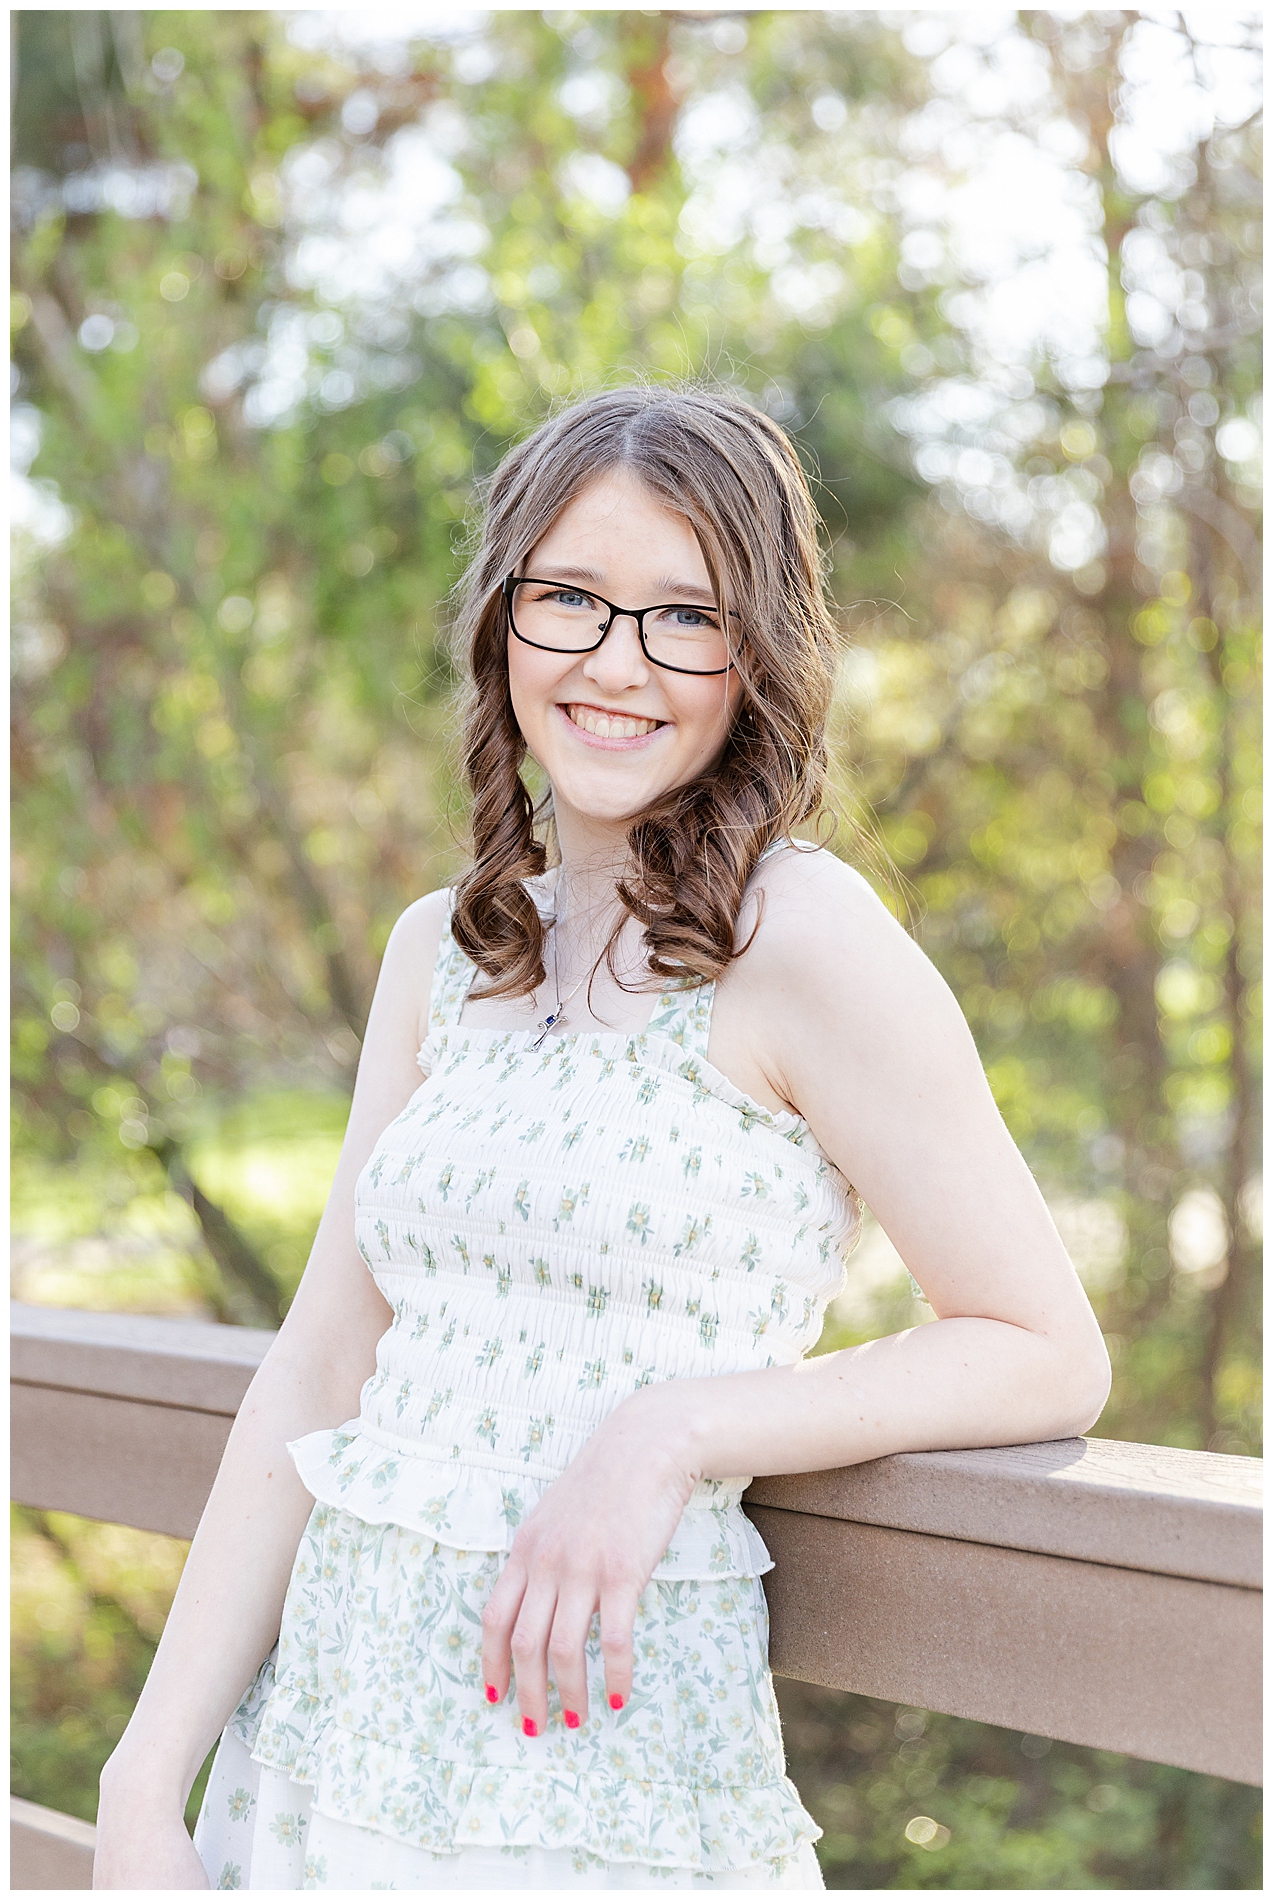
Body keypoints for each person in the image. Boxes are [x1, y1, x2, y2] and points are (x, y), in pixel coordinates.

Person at [94, 384, 1110, 1892]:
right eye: (570, 598)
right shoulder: (441, 948)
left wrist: (673, 1428)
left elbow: (1041, 1347)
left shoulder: (803, 938)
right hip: (330, 1735)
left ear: (753, 654)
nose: (616, 664)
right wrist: (140, 1778)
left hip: (592, 1777)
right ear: (503, 623)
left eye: (682, 616)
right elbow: (320, 1366)